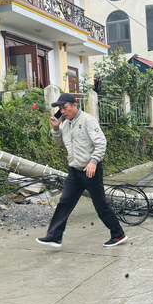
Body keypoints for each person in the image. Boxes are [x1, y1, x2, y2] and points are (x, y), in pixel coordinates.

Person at [37, 93, 127, 248]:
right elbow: (59, 143)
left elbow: (101, 143)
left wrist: (93, 162)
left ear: (74, 105)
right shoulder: (65, 124)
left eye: (64, 108)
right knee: (64, 203)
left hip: (90, 170)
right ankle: (54, 237)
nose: (62, 112)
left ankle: (118, 235)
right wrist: (56, 128)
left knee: (101, 205)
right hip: (74, 171)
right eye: (60, 109)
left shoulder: (87, 120)